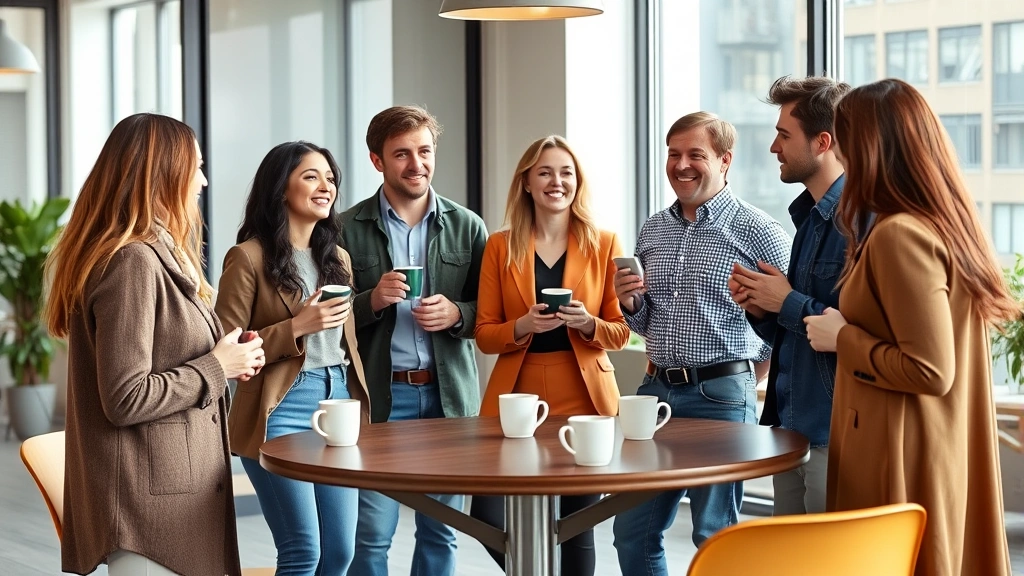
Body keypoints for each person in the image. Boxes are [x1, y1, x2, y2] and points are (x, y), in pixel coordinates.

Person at [804, 78, 1018, 576]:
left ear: (869, 145)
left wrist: (843, 338)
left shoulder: (900, 234)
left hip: (899, 454)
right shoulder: (945, 226)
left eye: (846, 139)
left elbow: (930, 369)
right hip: (929, 441)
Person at [44, 113, 265, 576]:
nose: (203, 181)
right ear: (162, 173)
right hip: (150, 514)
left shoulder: (153, 253)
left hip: (171, 498)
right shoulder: (132, 261)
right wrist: (216, 366)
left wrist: (226, 356)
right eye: (196, 168)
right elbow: (125, 397)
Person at [611, 111, 792, 575]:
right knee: (632, 530)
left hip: (722, 397)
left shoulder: (761, 232)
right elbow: (651, 324)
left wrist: (748, 378)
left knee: (714, 535)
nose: (682, 165)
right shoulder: (654, 228)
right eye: (674, 154)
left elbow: (787, 318)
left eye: (696, 154)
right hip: (654, 394)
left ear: (725, 160)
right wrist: (632, 305)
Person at [470, 135, 630, 575]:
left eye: (566, 173)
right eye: (544, 172)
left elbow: (621, 333)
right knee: (487, 513)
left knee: (577, 524)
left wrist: (587, 324)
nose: (556, 182)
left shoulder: (605, 243)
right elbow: (484, 334)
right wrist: (522, 326)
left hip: (584, 396)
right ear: (526, 182)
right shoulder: (500, 246)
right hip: (517, 398)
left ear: (577, 183)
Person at [339, 105, 488, 576]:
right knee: (371, 535)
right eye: (401, 154)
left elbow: (491, 314)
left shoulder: (467, 225)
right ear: (377, 161)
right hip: (382, 398)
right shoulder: (344, 229)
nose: (416, 163)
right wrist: (371, 301)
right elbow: (323, 320)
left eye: (424, 151)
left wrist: (458, 314)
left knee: (442, 531)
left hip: (449, 399)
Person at [215, 141, 370, 575]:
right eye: (311, 176)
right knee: (304, 550)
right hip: (278, 408)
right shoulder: (248, 257)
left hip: (337, 399)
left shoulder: (337, 258)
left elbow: (347, 344)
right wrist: (298, 326)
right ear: (281, 188)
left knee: (340, 552)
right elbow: (224, 344)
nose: (326, 186)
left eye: (331, 178)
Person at [728, 76, 850, 515]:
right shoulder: (809, 220)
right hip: (793, 428)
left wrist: (786, 301)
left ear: (822, 142)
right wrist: (762, 306)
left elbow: (852, 333)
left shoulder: (860, 224)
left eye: (783, 135)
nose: (773, 148)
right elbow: (799, 328)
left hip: (833, 434)